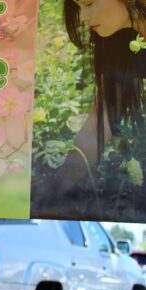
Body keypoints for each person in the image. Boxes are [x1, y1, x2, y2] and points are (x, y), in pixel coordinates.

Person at [33, 0, 146, 220]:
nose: (83, 17)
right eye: (79, 8)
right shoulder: (120, 43)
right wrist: (52, 192)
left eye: (89, 3)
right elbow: (98, 124)